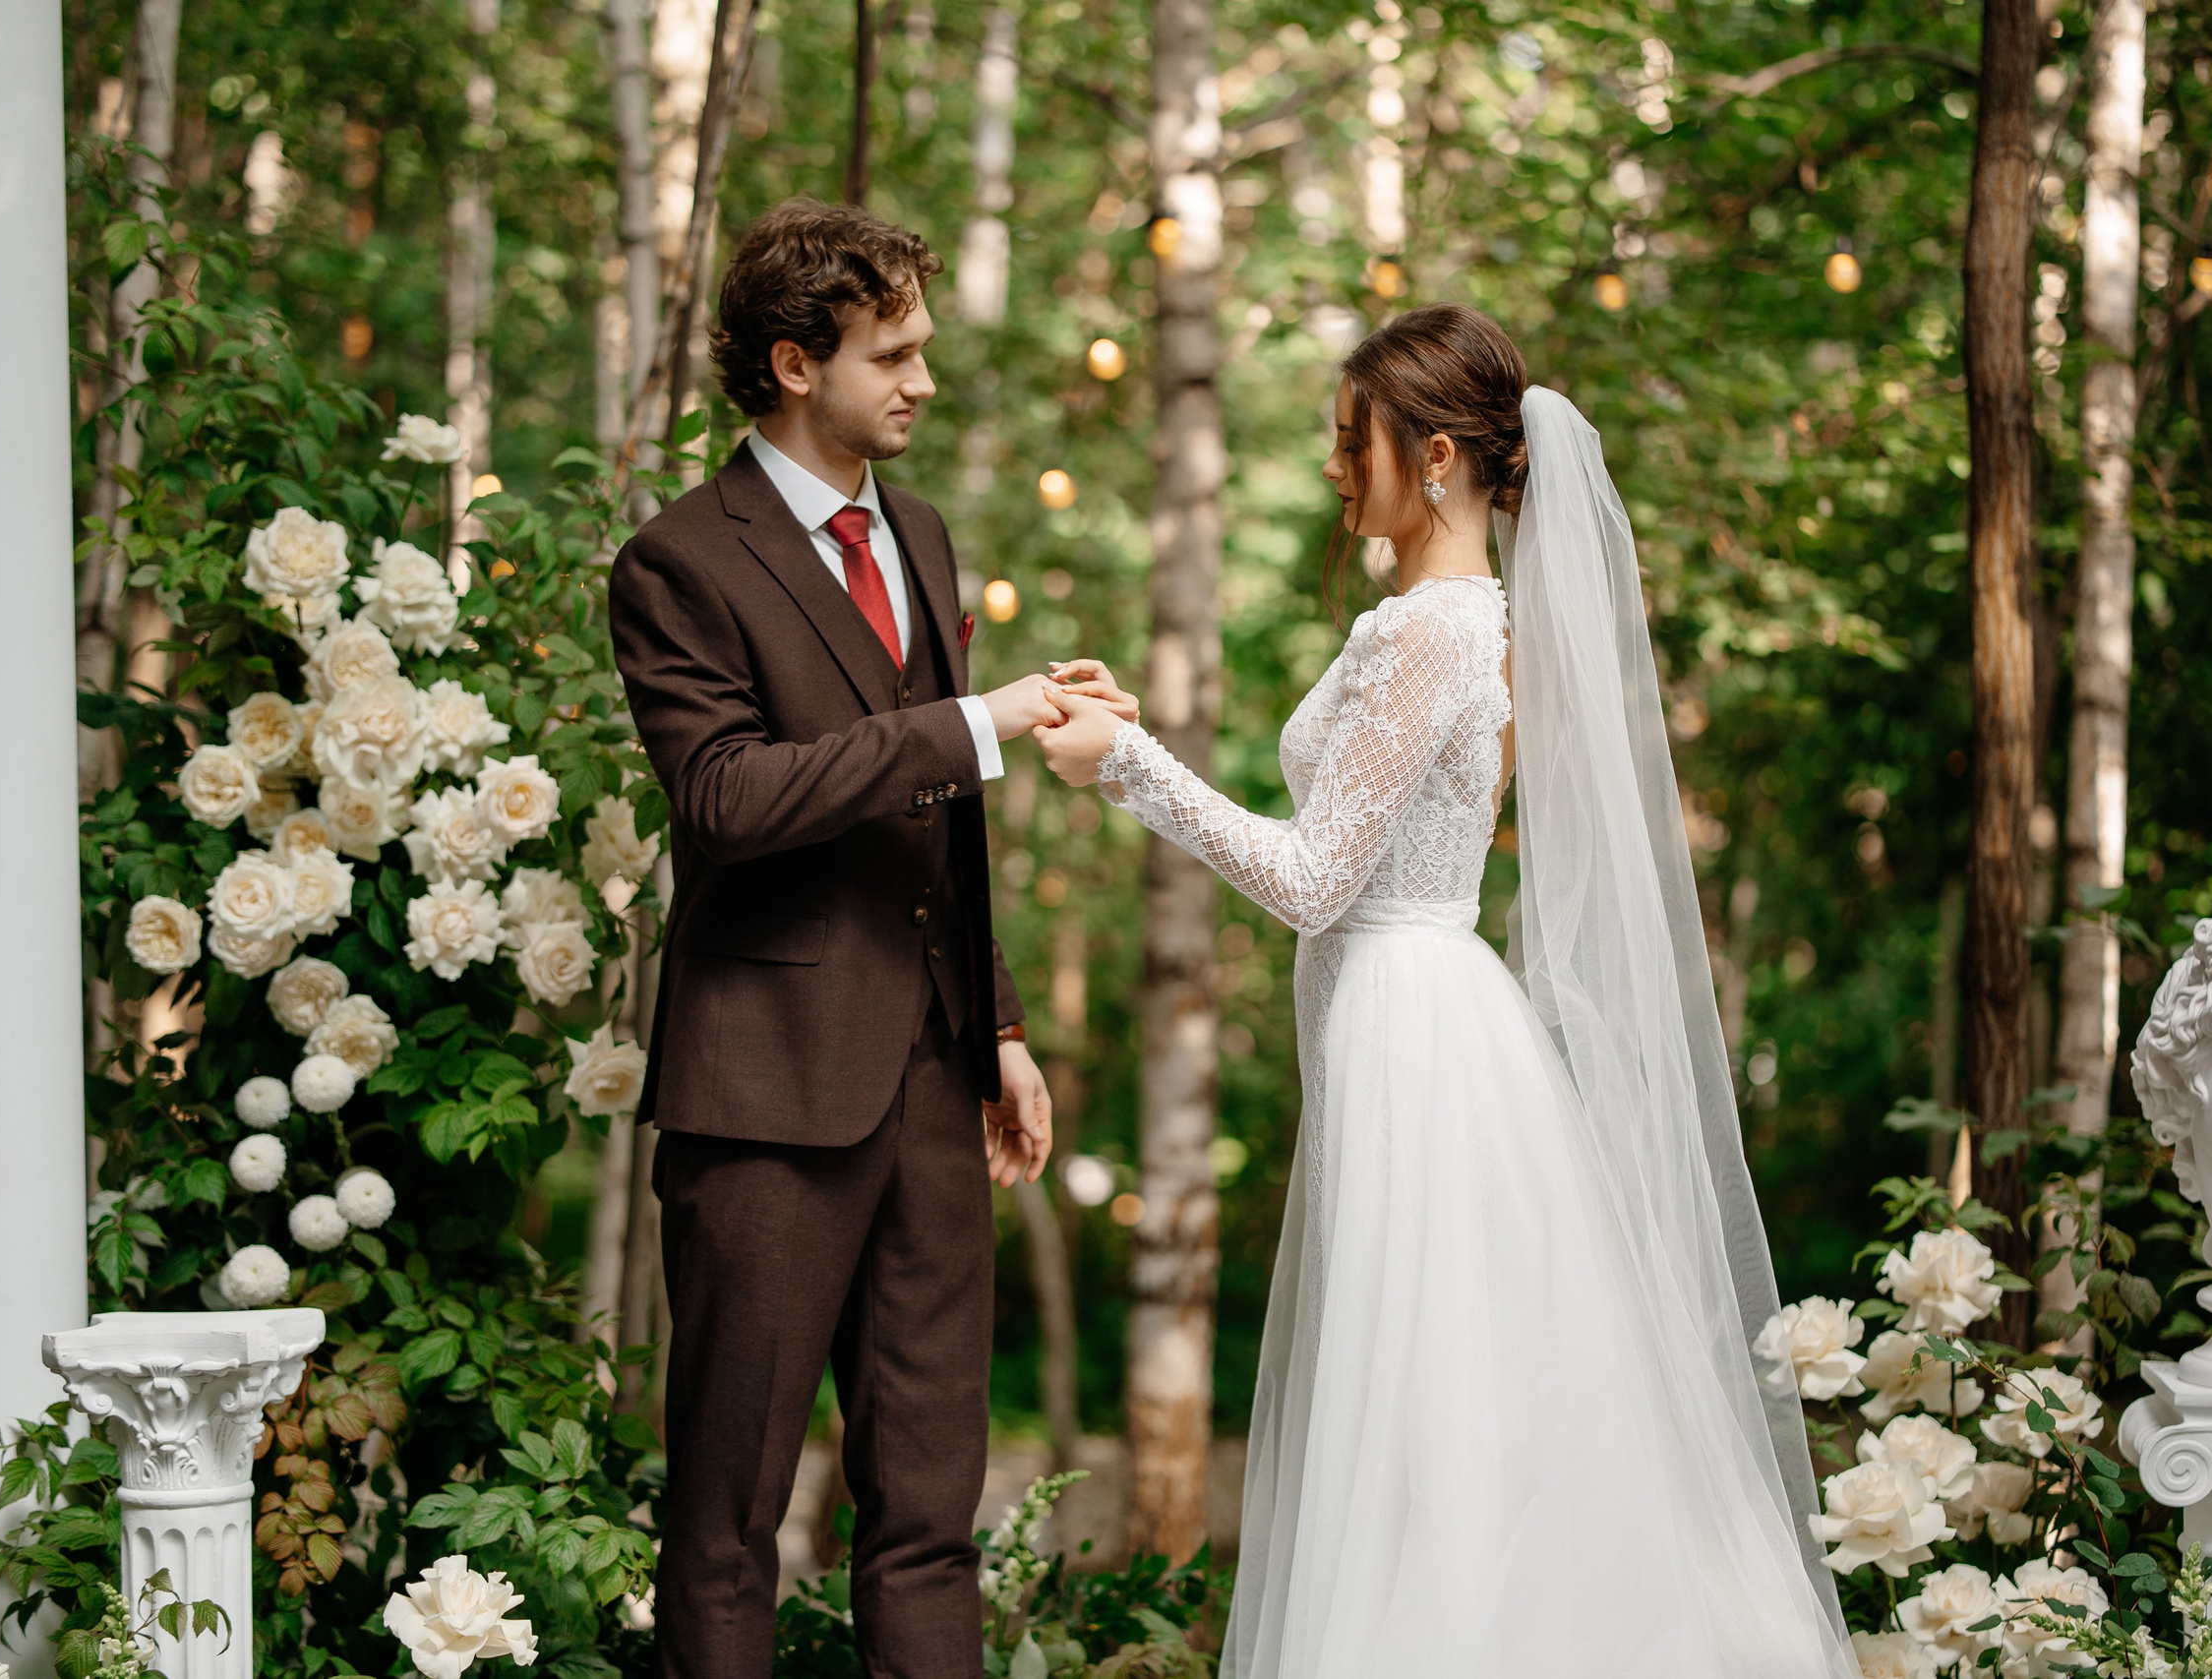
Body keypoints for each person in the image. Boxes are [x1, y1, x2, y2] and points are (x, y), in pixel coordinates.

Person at [1035, 302, 1857, 1676]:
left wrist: (1127, 769)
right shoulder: (1434, 619)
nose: (1329, 468)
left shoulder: (1432, 633)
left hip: (1418, 1033)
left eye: (1346, 440)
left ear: (1429, 458)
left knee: (1430, 1410)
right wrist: (1138, 733)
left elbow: (1312, 881)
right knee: (1449, 1403)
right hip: (1414, 1016)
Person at [608, 197, 1070, 1679]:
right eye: (894, 353)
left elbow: (935, 828)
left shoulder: (920, 534)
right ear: (797, 363)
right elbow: (728, 800)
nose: (922, 379)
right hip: (764, 1100)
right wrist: (968, 725)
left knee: (932, 1509)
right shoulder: (678, 562)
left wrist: (995, 1025)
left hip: (935, 1088)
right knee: (728, 1516)